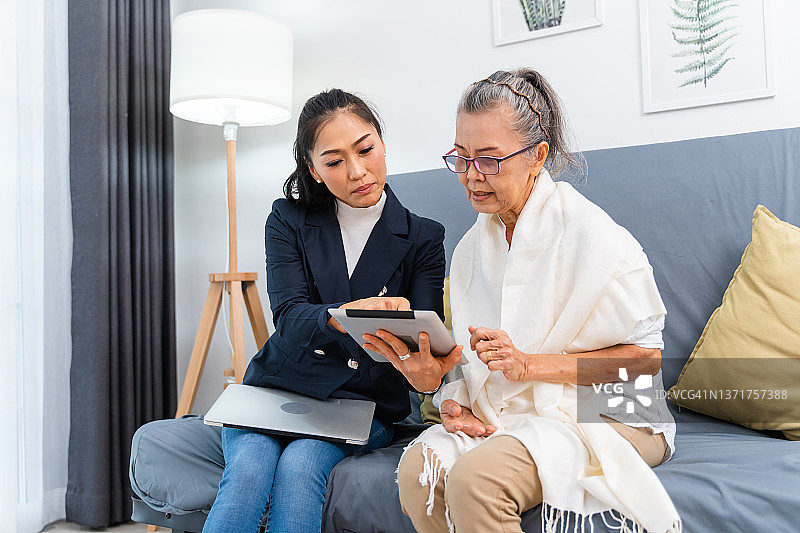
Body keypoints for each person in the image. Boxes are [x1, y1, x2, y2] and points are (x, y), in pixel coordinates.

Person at [132, 89, 462, 533]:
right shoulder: (287, 219)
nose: (357, 171)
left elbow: (423, 340)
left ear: (382, 143)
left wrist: (425, 373)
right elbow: (288, 316)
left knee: (302, 465)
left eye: (365, 150)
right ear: (314, 170)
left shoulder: (423, 236)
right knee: (247, 472)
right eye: (335, 161)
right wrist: (346, 312)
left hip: (361, 405)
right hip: (274, 391)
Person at [388, 69, 681, 533]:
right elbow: (479, 365)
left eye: (488, 159)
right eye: (461, 158)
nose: (470, 176)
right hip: (520, 410)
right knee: (419, 473)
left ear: (537, 156)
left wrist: (531, 366)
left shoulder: (596, 238)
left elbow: (643, 362)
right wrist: (453, 397)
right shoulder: (469, 251)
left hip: (612, 412)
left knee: (477, 480)